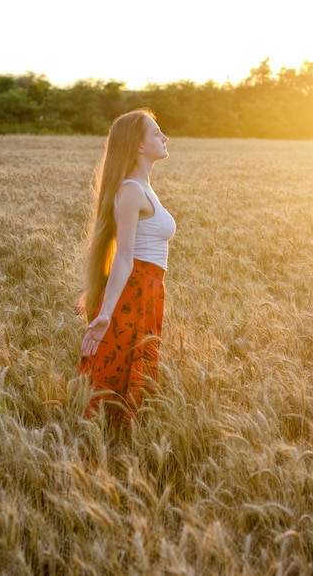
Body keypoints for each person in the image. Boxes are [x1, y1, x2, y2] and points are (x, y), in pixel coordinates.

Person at [78, 108, 176, 427]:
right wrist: (106, 312)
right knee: (123, 373)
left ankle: (121, 445)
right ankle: (107, 449)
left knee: (134, 371)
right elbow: (124, 256)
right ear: (138, 145)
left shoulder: (142, 188)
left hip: (148, 290)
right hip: (136, 291)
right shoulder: (132, 190)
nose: (165, 138)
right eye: (157, 132)